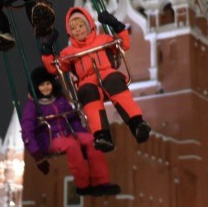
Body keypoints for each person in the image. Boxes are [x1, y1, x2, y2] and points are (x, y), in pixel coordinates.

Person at [41, 8, 151, 152]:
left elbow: (123, 44)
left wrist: (116, 24)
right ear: (70, 32)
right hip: (87, 80)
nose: (78, 30)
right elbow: (54, 68)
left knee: (115, 81)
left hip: (107, 73)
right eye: (73, 28)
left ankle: (137, 123)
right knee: (87, 93)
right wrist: (47, 49)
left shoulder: (103, 39)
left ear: (88, 25)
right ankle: (102, 135)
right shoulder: (69, 52)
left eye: (81, 26)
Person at [21, 66, 120, 197]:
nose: (46, 88)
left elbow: (72, 118)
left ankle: (101, 181)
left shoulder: (60, 99)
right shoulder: (32, 106)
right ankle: (83, 185)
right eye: (41, 85)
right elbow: (27, 131)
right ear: (35, 87)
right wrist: (37, 155)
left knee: (91, 140)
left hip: (68, 133)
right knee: (71, 146)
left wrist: (82, 135)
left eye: (48, 84)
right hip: (49, 139)